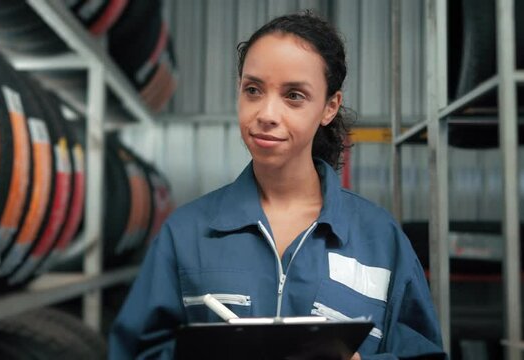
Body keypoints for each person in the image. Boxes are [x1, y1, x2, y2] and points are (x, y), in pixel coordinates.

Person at [109, 11, 445, 360]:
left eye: (294, 96)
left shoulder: (380, 240)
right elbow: (134, 351)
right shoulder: (185, 234)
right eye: (253, 90)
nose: (267, 113)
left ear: (329, 107)